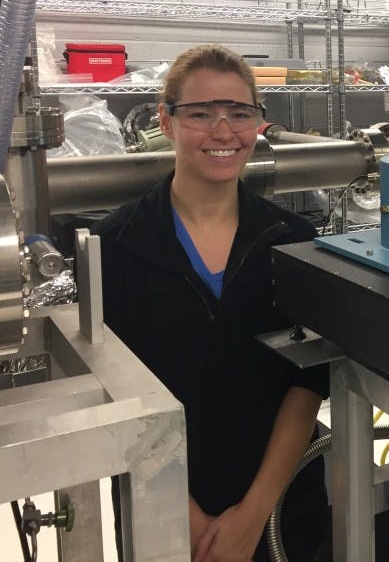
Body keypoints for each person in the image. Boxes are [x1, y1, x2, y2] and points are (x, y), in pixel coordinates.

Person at [93, 44, 329, 561]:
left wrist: (253, 517)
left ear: (258, 123)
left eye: (240, 113)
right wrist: (183, 511)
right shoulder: (118, 243)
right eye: (201, 114)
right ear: (167, 121)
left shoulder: (292, 240)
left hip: (283, 506)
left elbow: (307, 382)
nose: (223, 132)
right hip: (160, 506)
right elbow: (116, 396)